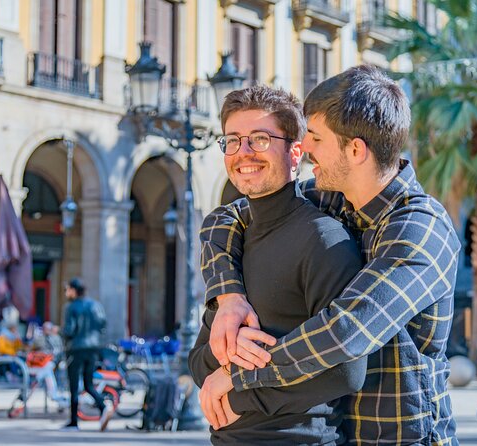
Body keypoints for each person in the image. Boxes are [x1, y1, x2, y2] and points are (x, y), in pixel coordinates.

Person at [200, 65, 460, 444]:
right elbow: (225, 217)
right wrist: (229, 297)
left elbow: (345, 330)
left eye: (316, 139)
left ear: (355, 150)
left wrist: (239, 376)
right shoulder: (332, 197)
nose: (305, 151)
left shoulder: (421, 229)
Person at [188, 85, 367, 444]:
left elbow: (346, 372)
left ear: (295, 152)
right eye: (233, 140)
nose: (243, 153)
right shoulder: (233, 245)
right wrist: (231, 347)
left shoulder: (325, 240)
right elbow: (197, 362)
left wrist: (239, 386)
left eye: (259, 139)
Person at [61, 277, 114, 431]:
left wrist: (57, 330)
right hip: (93, 348)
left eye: (67, 289)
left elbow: (69, 331)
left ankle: (73, 421)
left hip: (76, 349)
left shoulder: (71, 307)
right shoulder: (96, 305)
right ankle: (103, 406)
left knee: (73, 385)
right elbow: (103, 326)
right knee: (88, 384)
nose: (66, 292)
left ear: (73, 290)